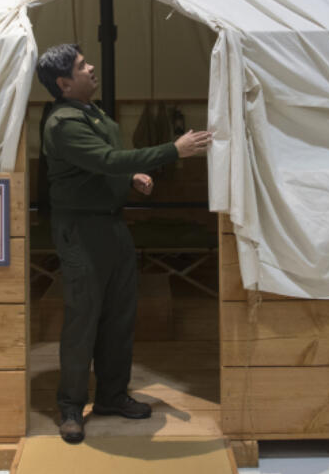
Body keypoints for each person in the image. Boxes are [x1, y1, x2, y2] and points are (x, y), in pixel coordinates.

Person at [36, 43, 211, 444]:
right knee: (84, 319)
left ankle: (112, 396)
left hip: (111, 226)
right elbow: (108, 160)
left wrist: (129, 180)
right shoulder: (64, 122)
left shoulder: (90, 112)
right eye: (82, 66)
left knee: (118, 317)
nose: (91, 67)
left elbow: (102, 161)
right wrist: (173, 150)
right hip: (81, 231)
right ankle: (70, 407)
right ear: (64, 83)